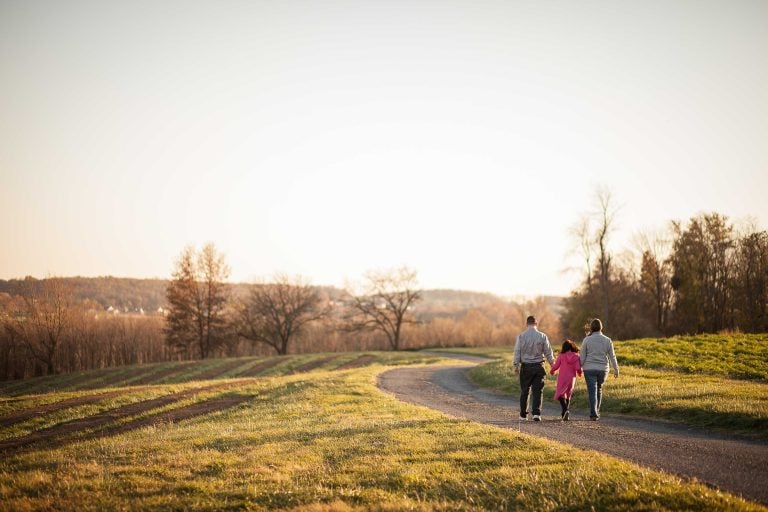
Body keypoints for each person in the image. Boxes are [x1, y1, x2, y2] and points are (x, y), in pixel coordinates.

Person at [513, 315, 555, 422]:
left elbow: (517, 352)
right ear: (536, 324)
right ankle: (536, 414)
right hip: (539, 367)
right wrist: (552, 365)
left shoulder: (521, 336)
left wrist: (515, 366)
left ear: (527, 324)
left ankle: (523, 415)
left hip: (526, 367)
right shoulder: (542, 336)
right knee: (538, 391)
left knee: (525, 391)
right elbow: (548, 352)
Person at [580, 318, 619, 421]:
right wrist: (616, 369)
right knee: (599, 389)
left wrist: (579, 367)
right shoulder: (607, 340)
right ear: (601, 327)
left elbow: (582, 356)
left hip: (589, 369)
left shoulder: (587, 340)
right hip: (603, 369)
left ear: (591, 327)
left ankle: (594, 414)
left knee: (592, 391)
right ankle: (596, 411)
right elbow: (612, 356)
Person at [550, 339, 582, 421]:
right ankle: (565, 414)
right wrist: (579, 373)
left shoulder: (561, 355)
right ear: (572, 347)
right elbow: (578, 367)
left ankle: (565, 410)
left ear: (564, 347)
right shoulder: (576, 356)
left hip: (562, 377)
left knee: (560, 394)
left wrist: (552, 370)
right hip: (572, 378)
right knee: (568, 394)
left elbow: (556, 365)